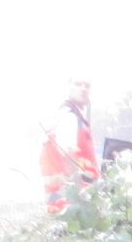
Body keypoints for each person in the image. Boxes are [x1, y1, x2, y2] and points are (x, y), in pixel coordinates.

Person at [39, 80, 98, 214]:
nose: (83, 89)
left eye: (87, 85)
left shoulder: (67, 116)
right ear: (68, 88)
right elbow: (68, 154)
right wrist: (78, 192)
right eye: (78, 84)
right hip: (68, 198)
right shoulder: (69, 117)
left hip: (59, 195)